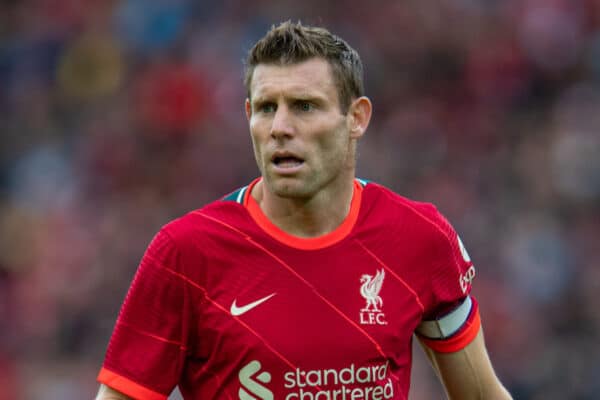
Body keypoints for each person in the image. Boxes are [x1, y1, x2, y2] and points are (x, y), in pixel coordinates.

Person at [96, 21, 512, 400]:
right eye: (265, 108)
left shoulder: (419, 237)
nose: (279, 127)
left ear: (357, 118)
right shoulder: (185, 253)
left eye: (304, 106)